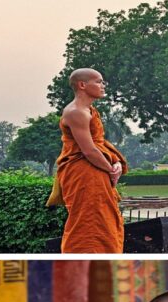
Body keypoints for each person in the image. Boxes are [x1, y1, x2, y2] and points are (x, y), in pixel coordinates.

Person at [47, 68, 128, 253]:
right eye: (98, 81)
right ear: (82, 85)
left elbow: (98, 144)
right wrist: (110, 169)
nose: (103, 85)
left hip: (95, 170)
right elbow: (89, 150)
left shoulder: (89, 110)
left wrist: (115, 163)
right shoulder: (76, 112)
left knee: (104, 221)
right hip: (84, 173)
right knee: (87, 223)